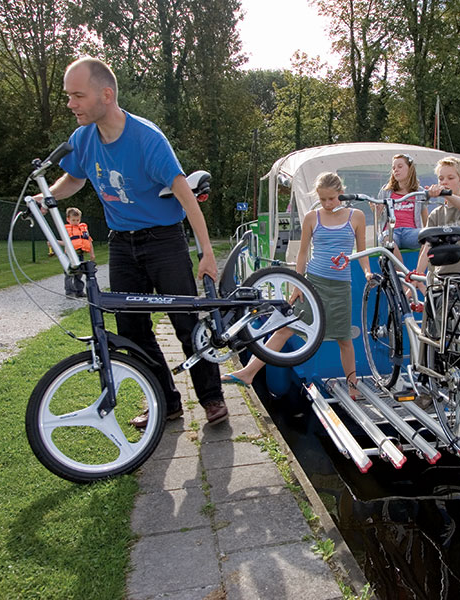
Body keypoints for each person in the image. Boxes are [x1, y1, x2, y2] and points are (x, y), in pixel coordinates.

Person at [34, 57, 227, 427]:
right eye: (68, 96)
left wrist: (205, 253)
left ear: (106, 95)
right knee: (132, 331)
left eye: (77, 95)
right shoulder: (83, 138)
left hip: (164, 241)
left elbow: (186, 197)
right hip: (122, 243)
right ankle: (164, 402)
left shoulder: (147, 139)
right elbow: (74, 179)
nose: (70, 104)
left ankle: (212, 399)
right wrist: (50, 198)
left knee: (186, 323)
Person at [222, 172, 372, 398]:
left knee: (344, 339)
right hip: (314, 284)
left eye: (331, 198)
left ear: (341, 193)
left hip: (341, 286)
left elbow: (361, 252)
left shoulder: (357, 216)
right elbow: (302, 253)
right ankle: (248, 373)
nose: (327, 204)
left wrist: (368, 272)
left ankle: (353, 386)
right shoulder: (312, 218)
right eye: (322, 199)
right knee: (285, 328)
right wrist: (297, 284)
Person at [415, 156, 460, 281]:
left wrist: (446, 193)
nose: (445, 182)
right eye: (441, 179)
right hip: (440, 278)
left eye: (450, 178)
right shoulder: (435, 214)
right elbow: (427, 248)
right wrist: (417, 276)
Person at [377, 153, 428, 263]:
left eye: (400, 167)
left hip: (410, 232)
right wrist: (376, 209)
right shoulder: (386, 191)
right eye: (393, 168)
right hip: (391, 232)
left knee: (428, 237)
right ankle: (403, 274)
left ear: (410, 169)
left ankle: (419, 271)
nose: (396, 170)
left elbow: (425, 215)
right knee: (388, 239)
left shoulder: (419, 191)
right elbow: (378, 217)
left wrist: (428, 231)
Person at [61, 206, 95, 298]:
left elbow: (88, 240)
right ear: (68, 219)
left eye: (78, 220)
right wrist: (54, 242)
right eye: (73, 220)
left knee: (79, 274)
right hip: (70, 254)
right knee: (69, 273)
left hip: (80, 254)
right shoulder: (66, 230)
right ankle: (69, 292)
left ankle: (79, 291)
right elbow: (65, 242)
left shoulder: (83, 228)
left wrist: (92, 253)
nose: (76, 222)